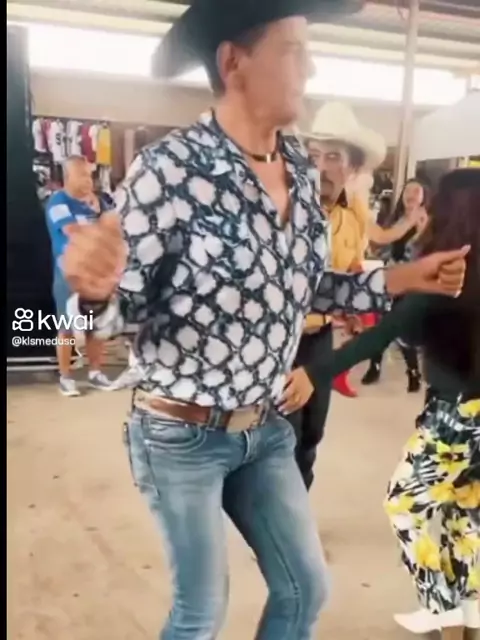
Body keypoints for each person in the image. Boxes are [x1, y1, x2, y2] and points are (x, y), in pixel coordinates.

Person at [61, 3, 468, 638]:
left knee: (306, 587)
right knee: (200, 612)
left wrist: (404, 278)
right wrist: (92, 294)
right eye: (294, 50)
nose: (312, 68)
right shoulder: (169, 170)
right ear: (235, 63)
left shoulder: (300, 172)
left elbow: (310, 283)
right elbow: (120, 313)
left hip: (266, 423)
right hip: (181, 434)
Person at [310, 169, 479, 640]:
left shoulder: (446, 274)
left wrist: (311, 374)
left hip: (455, 415)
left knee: (405, 504)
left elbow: (380, 337)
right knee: (464, 511)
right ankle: (470, 609)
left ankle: (441, 606)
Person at [303, 102, 425, 401]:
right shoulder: (288, 208)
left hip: (322, 333)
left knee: (314, 423)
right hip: (283, 336)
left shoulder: (352, 213)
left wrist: (348, 310)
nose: (321, 167)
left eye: (333, 156)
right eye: (314, 156)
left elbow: (351, 262)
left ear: (354, 167)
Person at [45, 155, 113, 396]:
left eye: (89, 175)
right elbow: (72, 231)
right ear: (68, 177)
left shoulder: (99, 202)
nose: (87, 180)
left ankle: (95, 373)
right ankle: (66, 377)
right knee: (66, 326)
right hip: (69, 274)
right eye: (81, 175)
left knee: (97, 325)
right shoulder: (58, 201)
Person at [362, 178, 431, 392]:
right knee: (380, 325)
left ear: (424, 196)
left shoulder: (428, 221)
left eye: (416, 191)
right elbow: (384, 246)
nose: (411, 195)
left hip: (411, 282)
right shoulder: (396, 220)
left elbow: (424, 253)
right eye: (407, 191)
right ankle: (374, 366)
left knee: (401, 327)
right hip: (389, 278)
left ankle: (413, 372)